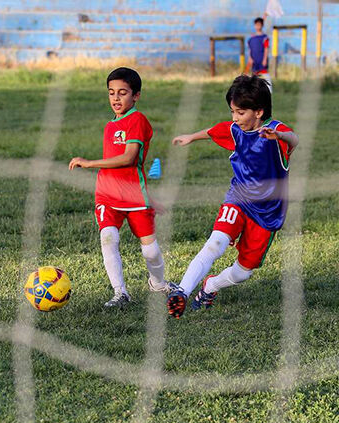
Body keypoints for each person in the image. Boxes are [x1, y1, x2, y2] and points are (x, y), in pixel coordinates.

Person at [166, 75, 298, 318]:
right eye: (232, 111)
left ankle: (210, 286)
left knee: (243, 272)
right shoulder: (235, 130)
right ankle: (181, 292)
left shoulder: (276, 131)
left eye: (240, 112)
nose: (234, 118)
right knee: (215, 242)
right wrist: (191, 137)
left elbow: (295, 139)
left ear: (258, 112)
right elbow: (214, 130)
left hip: (268, 214)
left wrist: (279, 137)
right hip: (238, 198)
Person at [69, 66, 174, 308]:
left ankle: (157, 283)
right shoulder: (110, 125)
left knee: (150, 251)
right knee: (108, 237)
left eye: (123, 93)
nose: (116, 98)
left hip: (134, 196)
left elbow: (129, 158)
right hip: (106, 194)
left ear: (136, 96)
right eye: (111, 93)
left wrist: (90, 162)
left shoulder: (137, 120)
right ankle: (120, 293)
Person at [247, 17, 272, 93]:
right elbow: (250, 50)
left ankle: (269, 91)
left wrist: (265, 59)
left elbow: (266, 49)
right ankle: (255, 92)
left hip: (261, 59)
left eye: (259, 25)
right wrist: (250, 58)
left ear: (262, 25)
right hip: (254, 60)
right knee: (254, 76)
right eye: (256, 25)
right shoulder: (252, 38)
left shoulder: (264, 38)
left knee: (265, 75)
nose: (258, 26)